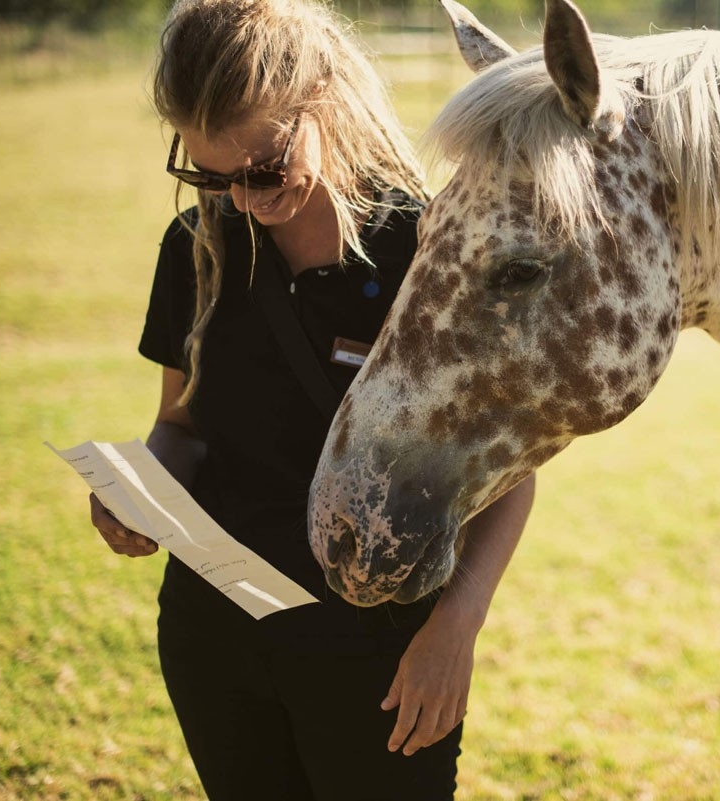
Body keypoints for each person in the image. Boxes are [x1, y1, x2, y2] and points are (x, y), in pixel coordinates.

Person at [86, 0, 536, 798]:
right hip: (213, 633)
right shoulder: (194, 246)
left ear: (322, 102)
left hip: (379, 650)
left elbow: (509, 474)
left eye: (262, 170)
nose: (243, 201)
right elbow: (182, 424)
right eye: (209, 177)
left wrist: (454, 629)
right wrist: (139, 492)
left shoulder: (425, 252)